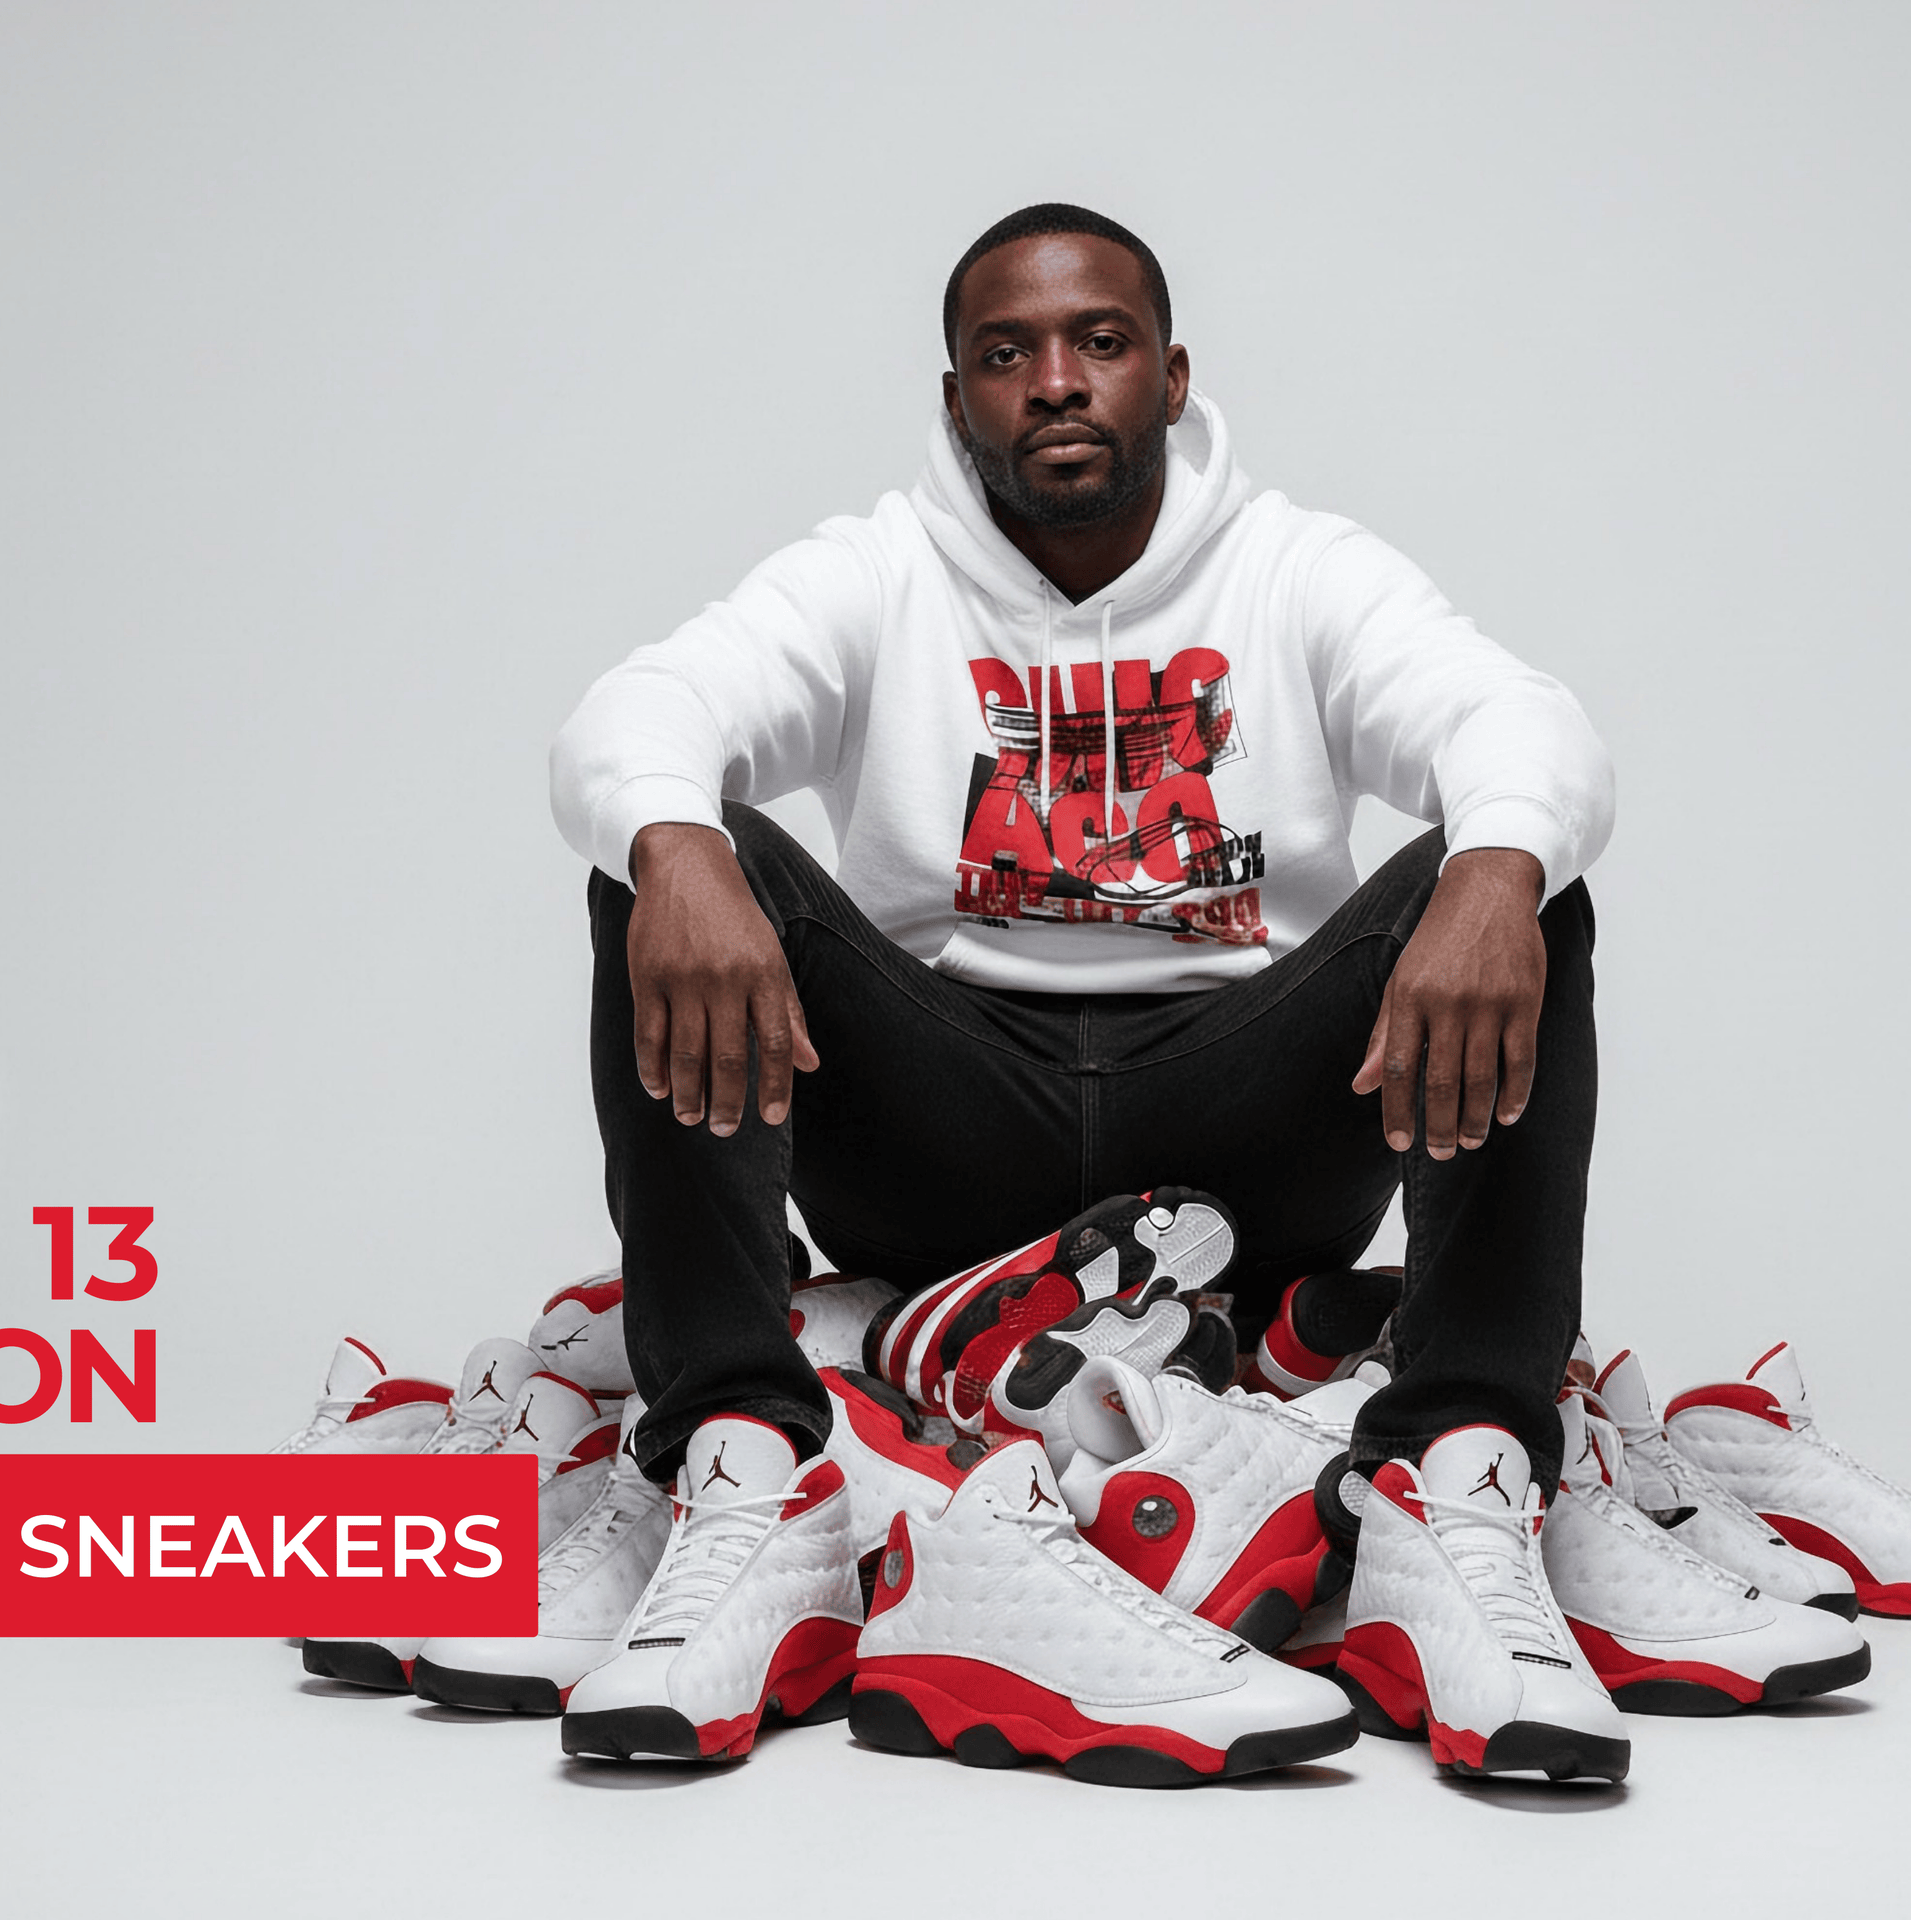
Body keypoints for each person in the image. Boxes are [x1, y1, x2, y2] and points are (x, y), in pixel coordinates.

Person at [540, 204, 1627, 1772]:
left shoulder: (1297, 569)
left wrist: (1497, 871)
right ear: (955, 398)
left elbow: (1522, 719)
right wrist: (677, 844)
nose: (1057, 382)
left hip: (1247, 1132)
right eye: (1008, 354)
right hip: (945, 1124)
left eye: (1099, 344)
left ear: (1171, 378)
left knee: (1521, 876)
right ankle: (741, 1461)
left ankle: (1458, 1473)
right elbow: (635, 707)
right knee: (665, 855)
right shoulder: (877, 572)